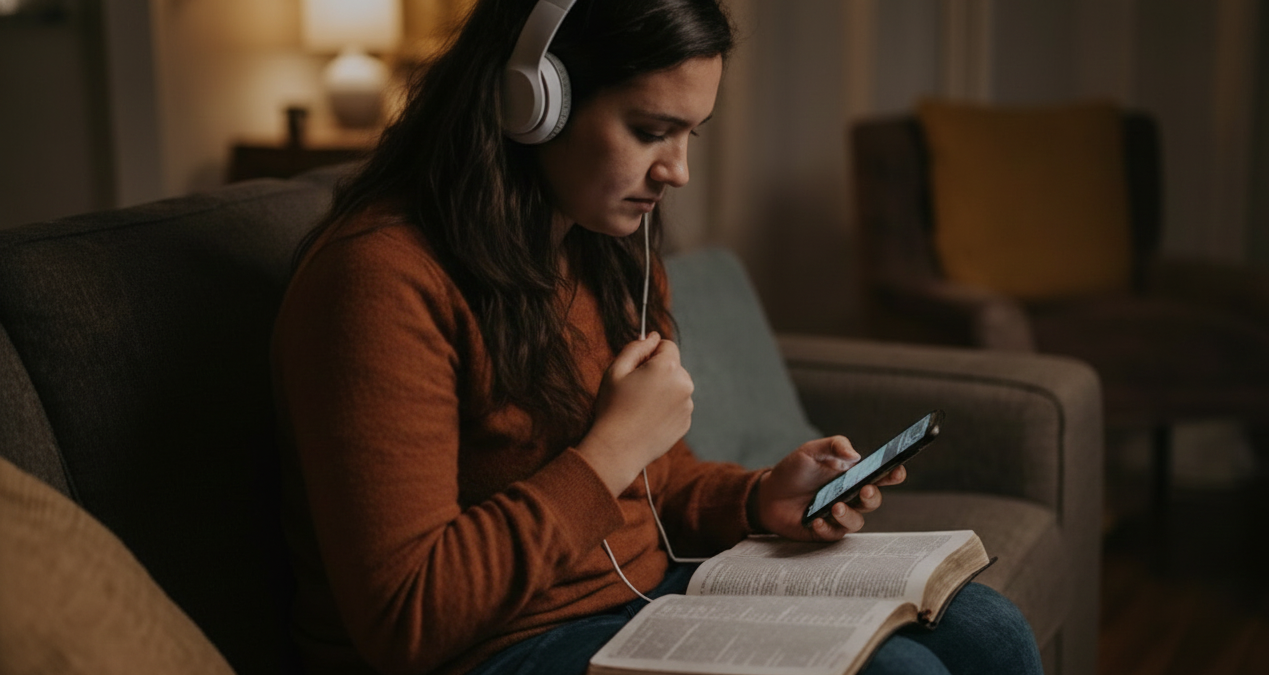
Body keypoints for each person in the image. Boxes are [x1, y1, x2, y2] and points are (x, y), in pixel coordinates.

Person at [271, 1, 1045, 674]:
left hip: (647, 601)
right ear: (532, 101)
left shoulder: (605, 246)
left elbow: (655, 485)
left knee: (985, 626)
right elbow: (404, 618)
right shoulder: (379, 280)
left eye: (690, 135)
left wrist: (756, 498)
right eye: (650, 130)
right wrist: (607, 450)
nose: (675, 170)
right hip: (491, 650)